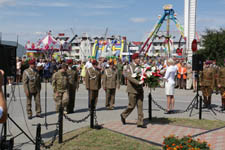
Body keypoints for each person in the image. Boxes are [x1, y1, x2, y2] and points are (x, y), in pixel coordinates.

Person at [120, 53, 146, 128]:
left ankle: (140, 122)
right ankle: (123, 115)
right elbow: (129, 77)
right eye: (138, 58)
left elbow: (143, 75)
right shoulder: (128, 67)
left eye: (139, 58)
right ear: (134, 59)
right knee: (131, 105)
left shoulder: (140, 67)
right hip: (132, 89)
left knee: (140, 106)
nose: (139, 59)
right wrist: (138, 82)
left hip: (140, 89)